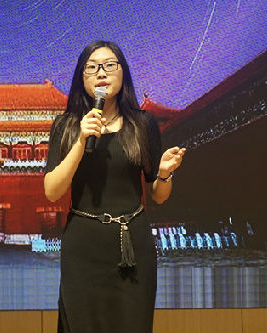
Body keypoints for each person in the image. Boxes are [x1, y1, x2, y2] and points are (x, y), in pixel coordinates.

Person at [44, 40, 186, 332]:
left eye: (110, 65)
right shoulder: (66, 125)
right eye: (92, 67)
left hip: (131, 247)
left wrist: (163, 174)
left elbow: (158, 196)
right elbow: (52, 191)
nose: (101, 73)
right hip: (83, 247)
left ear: (123, 73)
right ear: (81, 77)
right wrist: (81, 141)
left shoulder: (143, 124)